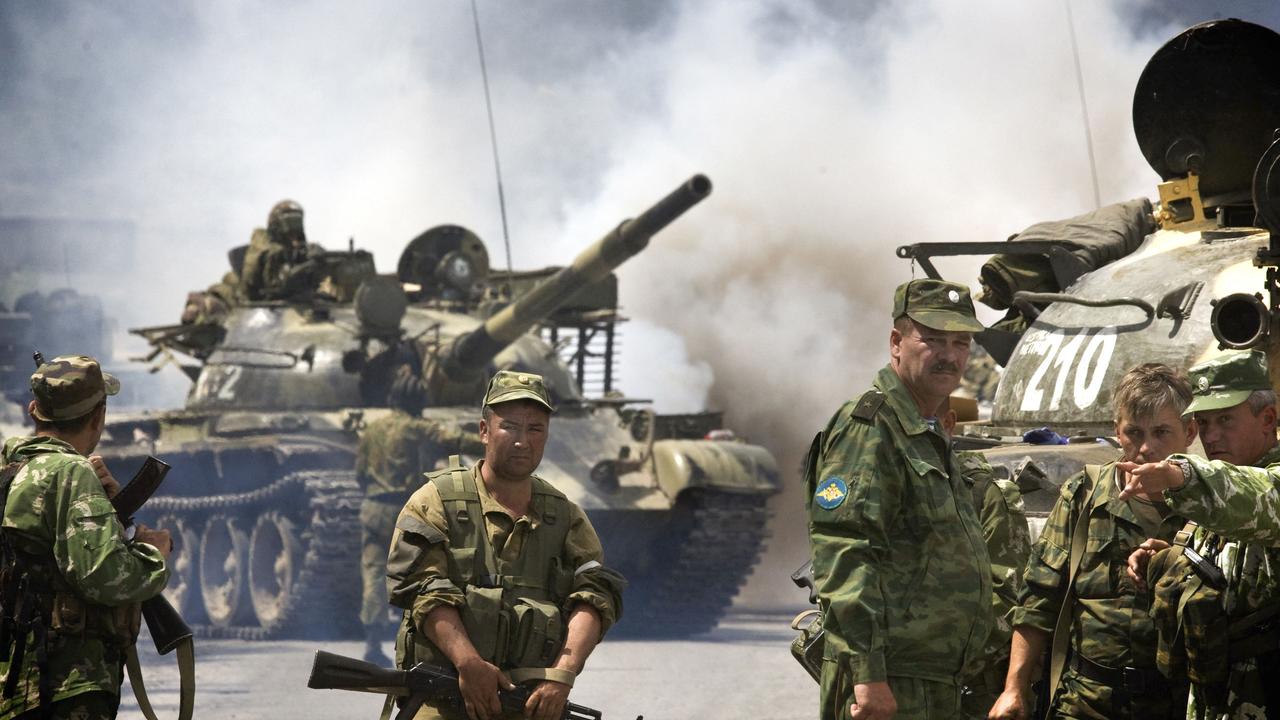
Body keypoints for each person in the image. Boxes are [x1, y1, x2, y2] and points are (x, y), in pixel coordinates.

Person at [384, 370, 624, 720]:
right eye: (509, 426)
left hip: (531, 702)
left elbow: (596, 595)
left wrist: (562, 675)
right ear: (484, 431)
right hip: (446, 694)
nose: (522, 441)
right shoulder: (435, 501)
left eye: (535, 429)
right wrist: (468, 663)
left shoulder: (565, 515)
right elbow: (422, 588)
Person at [807, 278, 994, 720]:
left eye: (960, 342)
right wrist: (868, 675)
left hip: (933, 676)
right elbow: (844, 551)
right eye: (931, 339)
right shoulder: (872, 428)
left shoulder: (927, 431)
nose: (949, 355)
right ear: (896, 342)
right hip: (891, 678)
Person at [989, 363, 1196, 720]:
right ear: (1117, 431)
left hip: (1177, 703)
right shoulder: (1084, 496)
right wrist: (1015, 688)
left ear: (1189, 431)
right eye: (1134, 432)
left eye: (1162, 432)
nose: (1146, 448)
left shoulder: (1209, 504)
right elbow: (1039, 595)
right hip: (1086, 702)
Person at [0, 355, 172, 720]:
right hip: (66, 678)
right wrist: (151, 553)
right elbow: (102, 576)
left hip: (16, 674)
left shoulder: (12, 468)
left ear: (34, 410)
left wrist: (110, 513)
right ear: (98, 418)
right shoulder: (72, 471)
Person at [1121, 350, 1280, 719]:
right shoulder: (1220, 489)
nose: (1211, 435)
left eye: (1225, 419)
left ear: (1267, 419)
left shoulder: (1230, 485)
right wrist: (1170, 558)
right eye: (1204, 423)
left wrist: (1183, 475)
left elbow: (1257, 499)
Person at [356, 393, 483, 664]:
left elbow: (360, 473)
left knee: (373, 574)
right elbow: (454, 440)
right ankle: (422, 643)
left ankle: (372, 643)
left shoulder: (373, 429)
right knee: (421, 573)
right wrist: (490, 444)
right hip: (405, 509)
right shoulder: (415, 427)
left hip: (373, 507)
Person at [940, 404, 1031, 719]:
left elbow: (1007, 597)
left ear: (949, 424)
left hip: (961, 680)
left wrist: (944, 668)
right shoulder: (888, 485)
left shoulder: (982, 491)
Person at [240, 199, 320, 301]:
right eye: (290, 221)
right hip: (265, 305)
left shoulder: (303, 249)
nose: (295, 226)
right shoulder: (263, 249)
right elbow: (267, 283)